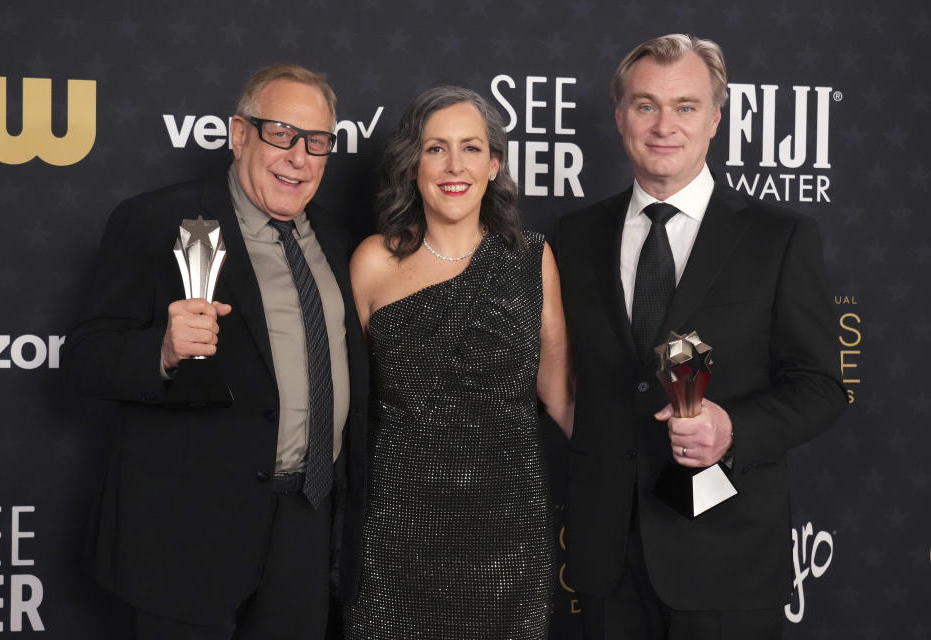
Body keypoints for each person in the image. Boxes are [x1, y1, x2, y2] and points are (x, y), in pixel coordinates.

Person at [554, 34, 846, 639]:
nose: (665, 125)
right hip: (607, 561)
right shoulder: (571, 238)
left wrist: (733, 429)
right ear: (619, 117)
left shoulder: (779, 237)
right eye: (645, 105)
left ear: (716, 118)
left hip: (728, 561)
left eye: (685, 106)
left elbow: (821, 386)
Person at [62, 64, 368, 639]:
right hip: (186, 534)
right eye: (280, 133)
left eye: (317, 141)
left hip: (305, 524)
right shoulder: (157, 220)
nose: (298, 156)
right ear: (239, 134)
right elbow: (84, 357)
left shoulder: (338, 238)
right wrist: (162, 351)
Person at [343, 85, 573, 639]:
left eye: (471, 148)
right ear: (411, 164)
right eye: (435, 148)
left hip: (506, 536)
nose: (454, 165)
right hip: (398, 529)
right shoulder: (374, 261)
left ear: (494, 164)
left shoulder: (530, 258)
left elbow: (560, 395)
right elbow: (342, 397)